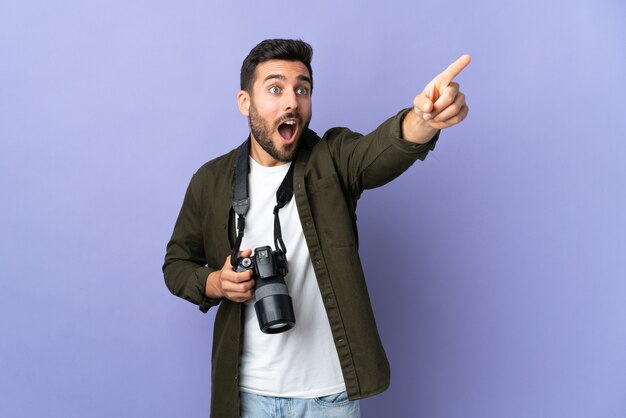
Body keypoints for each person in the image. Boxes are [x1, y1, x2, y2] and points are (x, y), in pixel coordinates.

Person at [163, 38, 469, 418]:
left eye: (302, 89)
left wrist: (423, 119)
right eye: (275, 88)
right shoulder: (210, 180)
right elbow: (176, 265)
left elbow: (379, 152)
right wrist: (217, 283)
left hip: (330, 399)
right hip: (245, 395)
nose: (292, 101)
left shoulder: (333, 158)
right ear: (245, 102)